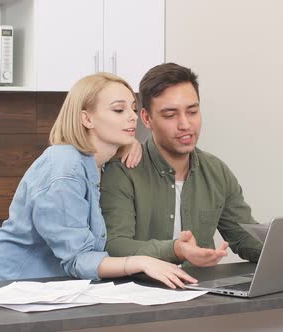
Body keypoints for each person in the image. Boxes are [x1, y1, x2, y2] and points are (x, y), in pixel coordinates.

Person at [0, 73, 196, 289]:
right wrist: (140, 262)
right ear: (87, 119)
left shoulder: (101, 163)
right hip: (9, 287)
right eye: (119, 110)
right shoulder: (64, 168)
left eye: (133, 109)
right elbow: (78, 259)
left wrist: (131, 143)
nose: (133, 117)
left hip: (50, 289)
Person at [100, 63, 263, 267]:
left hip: (203, 293)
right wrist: (176, 249)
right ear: (146, 118)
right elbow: (115, 245)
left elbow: (244, 238)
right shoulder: (123, 171)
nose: (185, 124)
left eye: (192, 111)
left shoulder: (216, 171)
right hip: (143, 293)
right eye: (170, 115)